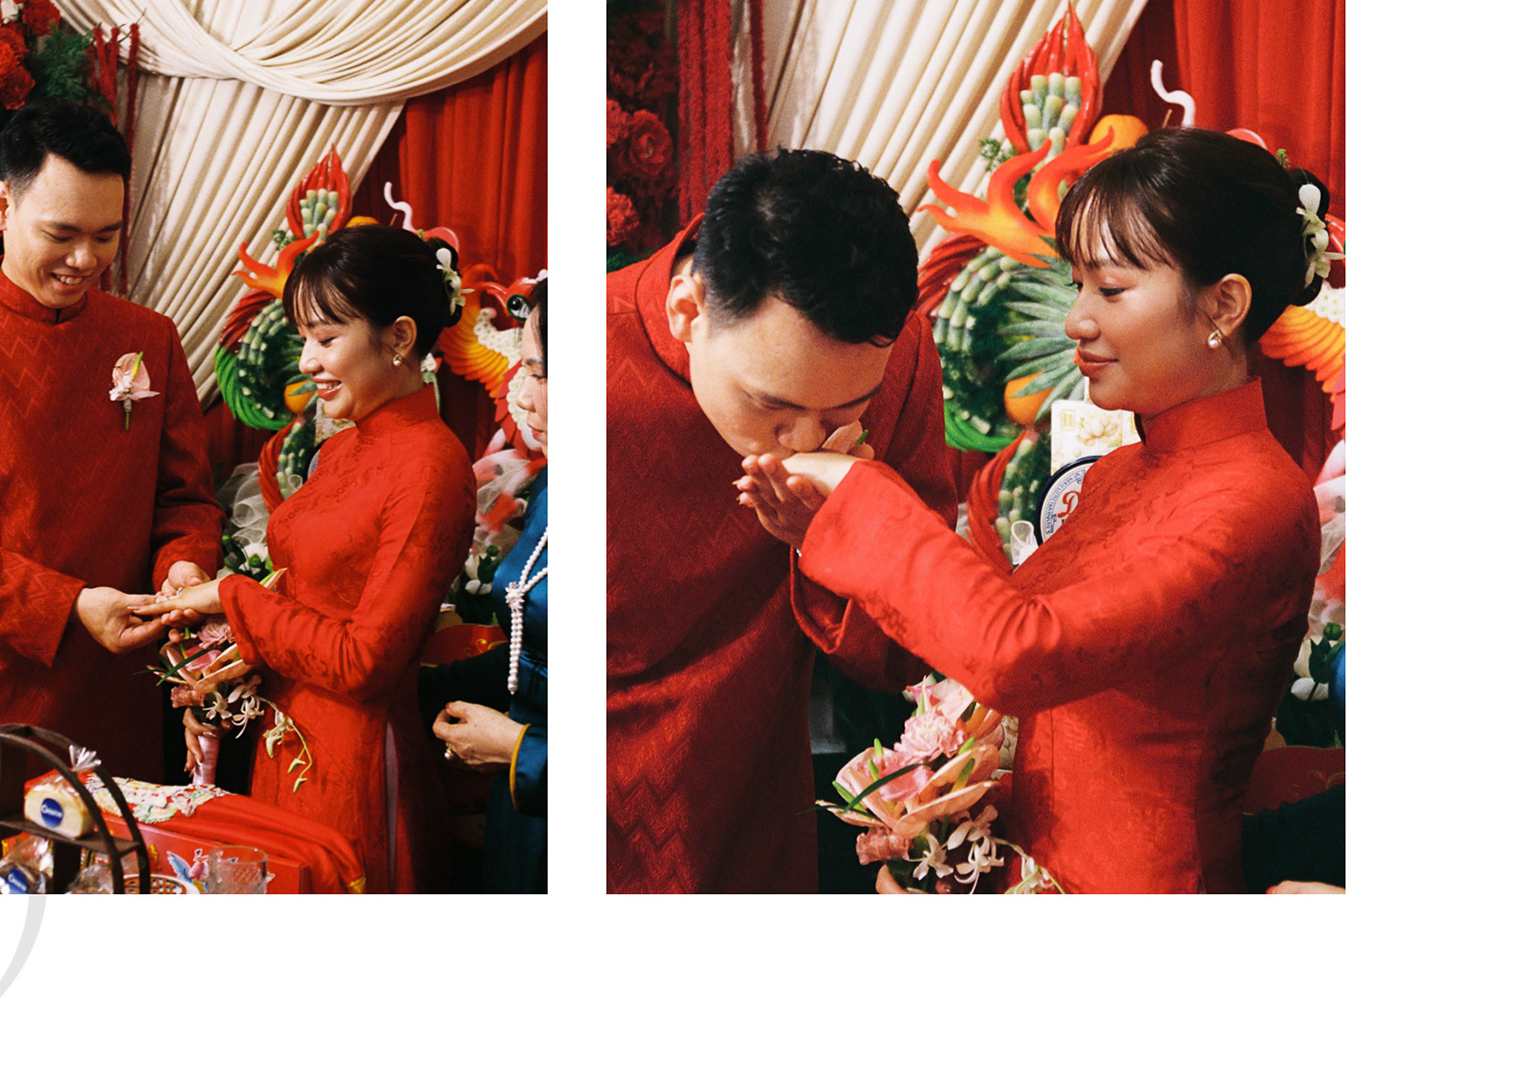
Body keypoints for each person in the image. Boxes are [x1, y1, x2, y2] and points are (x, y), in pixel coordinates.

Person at [742, 130, 1327, 894]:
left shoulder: (1257, 499)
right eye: (1077, 285)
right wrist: (820, 532)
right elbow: (972, 641)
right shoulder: (1120, 471)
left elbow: (1019, 655)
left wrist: (864, 494)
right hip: (1027, 869)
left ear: (1224, 303)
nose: (1075, 320)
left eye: (1109, 289)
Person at [607, 150, 958, 892]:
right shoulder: (587, 354)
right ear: (687, 311)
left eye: (842, 412)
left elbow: (908, 654)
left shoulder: (897, 359)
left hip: (759, 786)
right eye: (772, 405)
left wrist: (841, 540)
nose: (803, 441)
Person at [0, 102, 221, 777]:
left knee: (119, 844)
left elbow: (185, 501)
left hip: (117, 691)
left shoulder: (148, 339)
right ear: (1, 206)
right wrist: (67, 605)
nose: (85, 259)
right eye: (61, 233)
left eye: (107, 236)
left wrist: (183, 566)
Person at [136, 225, 476, 891]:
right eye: (304, 339)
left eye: (326, 338)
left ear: (399, 337)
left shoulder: (431, 465)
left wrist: (231, 597)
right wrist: (222, 664)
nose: (307, 361)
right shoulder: (342, 448)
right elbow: (303, 598)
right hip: (284, 737)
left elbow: (366, 661)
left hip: (356, 762)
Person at [431, 277, 548, 891]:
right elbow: (538, 652)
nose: (521, 394)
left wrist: (521, 749)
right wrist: (424, 690)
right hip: (522, 790)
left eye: (539, 372)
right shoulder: (553, 489)